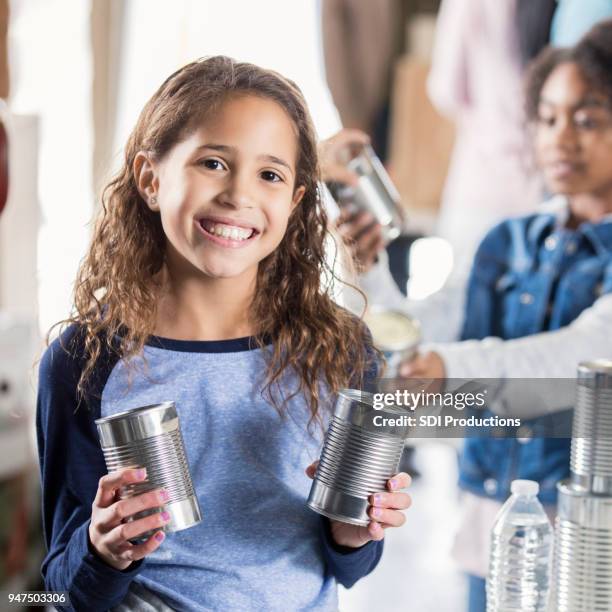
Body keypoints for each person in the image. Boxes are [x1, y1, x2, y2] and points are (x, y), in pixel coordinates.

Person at [35, 56, 412, 612]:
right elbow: (61, 587)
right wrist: (103, 548)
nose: (239, 195)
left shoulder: (342, 352)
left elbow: (351, 565)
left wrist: (353, 533)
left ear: (295, 202)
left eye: (270, 174)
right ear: (150, 178)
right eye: (213, 162)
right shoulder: (83, 361)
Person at [400, 21, 612, 611]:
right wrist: (364, 266)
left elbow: (576, 359)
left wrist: (448, 368)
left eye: (587, 119)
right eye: (547, 118)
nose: (560, 138)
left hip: (593, 535)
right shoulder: (509, 240)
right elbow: (422, 332)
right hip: (498, 519)